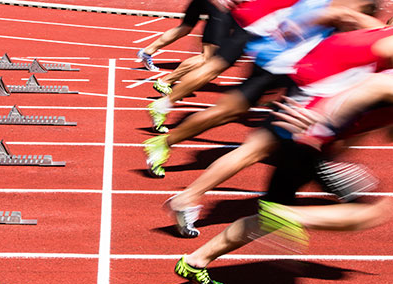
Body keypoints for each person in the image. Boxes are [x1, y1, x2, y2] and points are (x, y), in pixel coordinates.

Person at [167, 21, 393, 238]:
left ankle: (189, 198)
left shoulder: (374, 29)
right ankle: (189, 199)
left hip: (317, 89)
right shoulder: (381, 37)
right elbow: (368, 81)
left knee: (259, 150)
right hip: (316, 97)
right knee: (257, 151)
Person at [173, 88, 393, 284]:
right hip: (315, 144)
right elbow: (365, 90)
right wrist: (325, 122)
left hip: (304, 141)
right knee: (368, 212)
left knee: (268, 217)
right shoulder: (384, 81)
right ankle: (287, 215)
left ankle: (195, 261)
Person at [144, 0, 381, 178]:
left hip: (293, 63)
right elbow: (340, 14)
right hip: (285, 63)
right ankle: (170, 154)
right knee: (234, 113)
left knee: (259, 121)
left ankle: (168, 143)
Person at [148, 0, 300, 130]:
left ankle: (164, 104)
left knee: (215, 65)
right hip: (263, 22)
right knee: (211, 62)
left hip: (256, 19)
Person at [137, 0, 235, 72]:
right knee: (207, 57)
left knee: (185, 27)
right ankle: (168, 80)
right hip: (217, 5)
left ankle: (147, 51)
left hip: (204, 3)